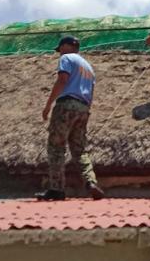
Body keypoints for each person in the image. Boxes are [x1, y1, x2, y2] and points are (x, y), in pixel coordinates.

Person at [36, 36, 105, 201]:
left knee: (56, 146)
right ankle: (90, 182)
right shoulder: (89, 68)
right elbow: (92, 92)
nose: (59, 53)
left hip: (66, 105)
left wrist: (48, 105)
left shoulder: (66, 58)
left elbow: (62, 80)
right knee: (79, 150)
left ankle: (57, 189)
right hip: (83, 108)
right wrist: (86, 110)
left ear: (66, 46)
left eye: (60, 49)